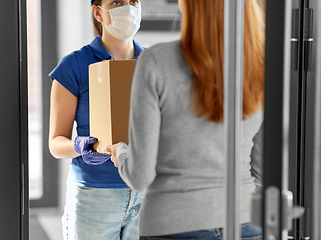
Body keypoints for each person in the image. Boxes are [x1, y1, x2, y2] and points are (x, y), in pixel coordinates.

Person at [106, 0, 265, 239]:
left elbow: (140, 177)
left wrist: (121, 153)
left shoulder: (157, 60)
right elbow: (262, 167)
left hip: (174, 223)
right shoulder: (258, 62)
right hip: (244, 220)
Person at [48, 0, 144, 239]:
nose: (128, 8)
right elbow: (55, 144)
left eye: (134, 1)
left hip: (146, 193)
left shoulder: (152, 64)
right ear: (98, 13)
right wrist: (81, 146)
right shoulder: (75, 65)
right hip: (95, 197)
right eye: (117, 2)